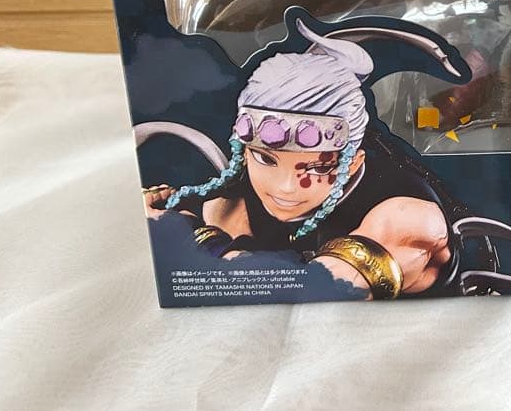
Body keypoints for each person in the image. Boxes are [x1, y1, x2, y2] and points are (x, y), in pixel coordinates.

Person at [142, 28, 470, 299]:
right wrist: (164, 212)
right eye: (266, 158)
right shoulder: (230, 208)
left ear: (352, 163)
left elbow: (323, 289)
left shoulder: (408, 216)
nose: (285, 187)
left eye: (317, 168)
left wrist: (180, 232)